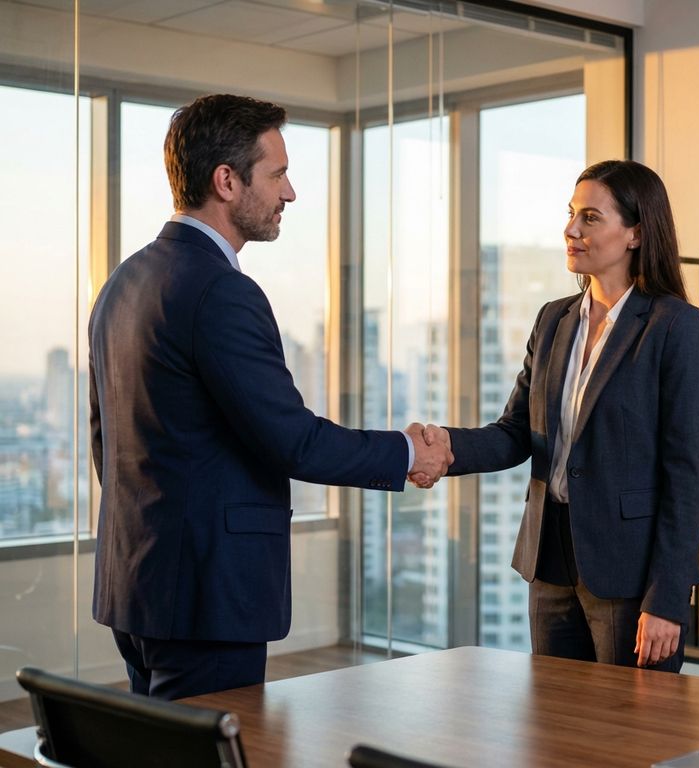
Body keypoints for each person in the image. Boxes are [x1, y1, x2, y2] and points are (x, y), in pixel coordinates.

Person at [88, 93, 452, 700]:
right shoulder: (222, 291)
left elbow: (109, 445)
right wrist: (408, 454)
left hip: (137, 583)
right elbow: (293, 440)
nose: (290, 193)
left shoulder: (123, 282)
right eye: (277, 174)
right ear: (226, 181)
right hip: (206, 597)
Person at [415, 159, 699, 672]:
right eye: (571, 214)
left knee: (628, 733)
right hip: (549, 556)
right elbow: (516, 433)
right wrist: (447, 446)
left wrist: (667, 597)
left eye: (591, 218)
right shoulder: (554, 319)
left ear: (636, 233)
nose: (571, 230)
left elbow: (687, 473)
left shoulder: (674, 326)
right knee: (555, 728)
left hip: (628, 569)